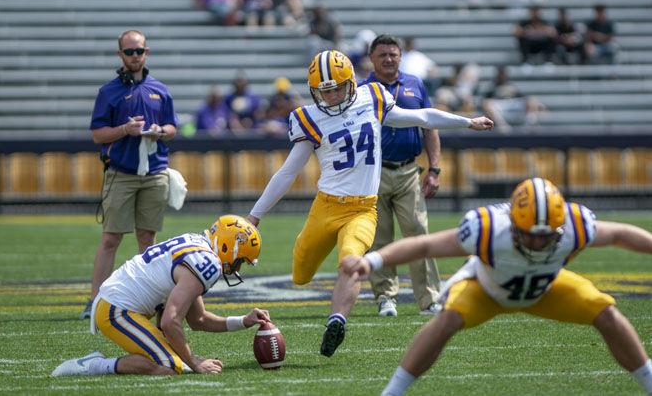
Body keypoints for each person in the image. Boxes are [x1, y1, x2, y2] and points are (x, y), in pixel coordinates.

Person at [245, 50, 493, 358]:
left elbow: (421, 117)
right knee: (301, 274)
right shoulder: (308, 117)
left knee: (352, 263)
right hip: (326, 207)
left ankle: (337, 320)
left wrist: (467, 122)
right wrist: (255, 216)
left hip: (363, 209)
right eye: (325, 90)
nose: (333, 95)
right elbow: (288, 172)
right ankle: (330, 302)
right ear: (314, 91)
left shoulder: (373, 96)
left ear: (351, 82)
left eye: (337, 87)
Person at [343, 177, 652, 396]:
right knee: (447, 319)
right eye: (530, 234)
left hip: (546, 289)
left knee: (606, 312)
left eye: (545, 236)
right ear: (513, 223)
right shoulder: (489, 230)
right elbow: (424, 245)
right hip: (487, 290)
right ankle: (392, 392)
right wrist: (373, 262)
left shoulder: (576, 225)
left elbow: (621, 234)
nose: (537, 241)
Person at [53, 215, 272, 376]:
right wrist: (194, 361)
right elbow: (170, 321)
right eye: (240, 261)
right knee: (169, 367)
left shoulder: (197, 246)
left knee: (175, 362)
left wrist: (244, 321)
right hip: (116, 309)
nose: (238, 269)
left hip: (121, 303)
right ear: (228, 247)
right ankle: (94, 365)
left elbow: (199, 320)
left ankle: (161, 353)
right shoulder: (208, 263)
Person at [81, 29, 178, 320]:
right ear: (120, 55)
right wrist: (125, 130)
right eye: (129, 52)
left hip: (154, 171)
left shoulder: (160, 90)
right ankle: (96, 300)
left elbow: (172, 128)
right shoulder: (108, 91)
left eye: (139, 51)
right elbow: (98, 135)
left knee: (148, 240)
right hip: (122, 172)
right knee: (111, 238)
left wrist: (158, 131)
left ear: (146, 52)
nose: (135, 56)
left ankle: (143, 298)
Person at [361, 35, 442, 318]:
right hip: (374, 173)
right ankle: (386, 297)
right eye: (382, 54)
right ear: (372, 59)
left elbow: (430, 127)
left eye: (393, 54)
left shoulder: (415, 84)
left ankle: (429, 298)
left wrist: (434, 168)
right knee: (379, 238)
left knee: (418, 233)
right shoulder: (361, 90)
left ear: (400, 56)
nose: (388, 59)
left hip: (409, 171)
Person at [482, 65, 545, 132]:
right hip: (499, 105)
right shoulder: (493, 86)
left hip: (512, 103)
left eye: (503, 73)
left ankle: (527, 127)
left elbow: (522, 97)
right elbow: (485, 100)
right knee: (488, 103)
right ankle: (503, 126)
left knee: (531, 100)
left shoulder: (510, 85)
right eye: (500, 73)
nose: (502, 75)